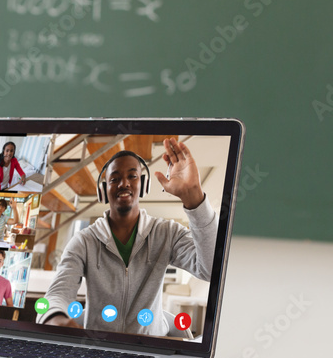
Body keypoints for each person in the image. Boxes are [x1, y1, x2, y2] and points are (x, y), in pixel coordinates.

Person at [38, 141, 218, 336]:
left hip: (150, 351)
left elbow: (211, 269)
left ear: (144, 185)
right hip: (99, 350)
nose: (124, 183)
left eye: (132, 176)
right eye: (115, 179)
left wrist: (195, 199)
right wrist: (54, 317)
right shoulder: (83, 242)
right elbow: (58, 292)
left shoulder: (167, 233)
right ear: (103, 190)